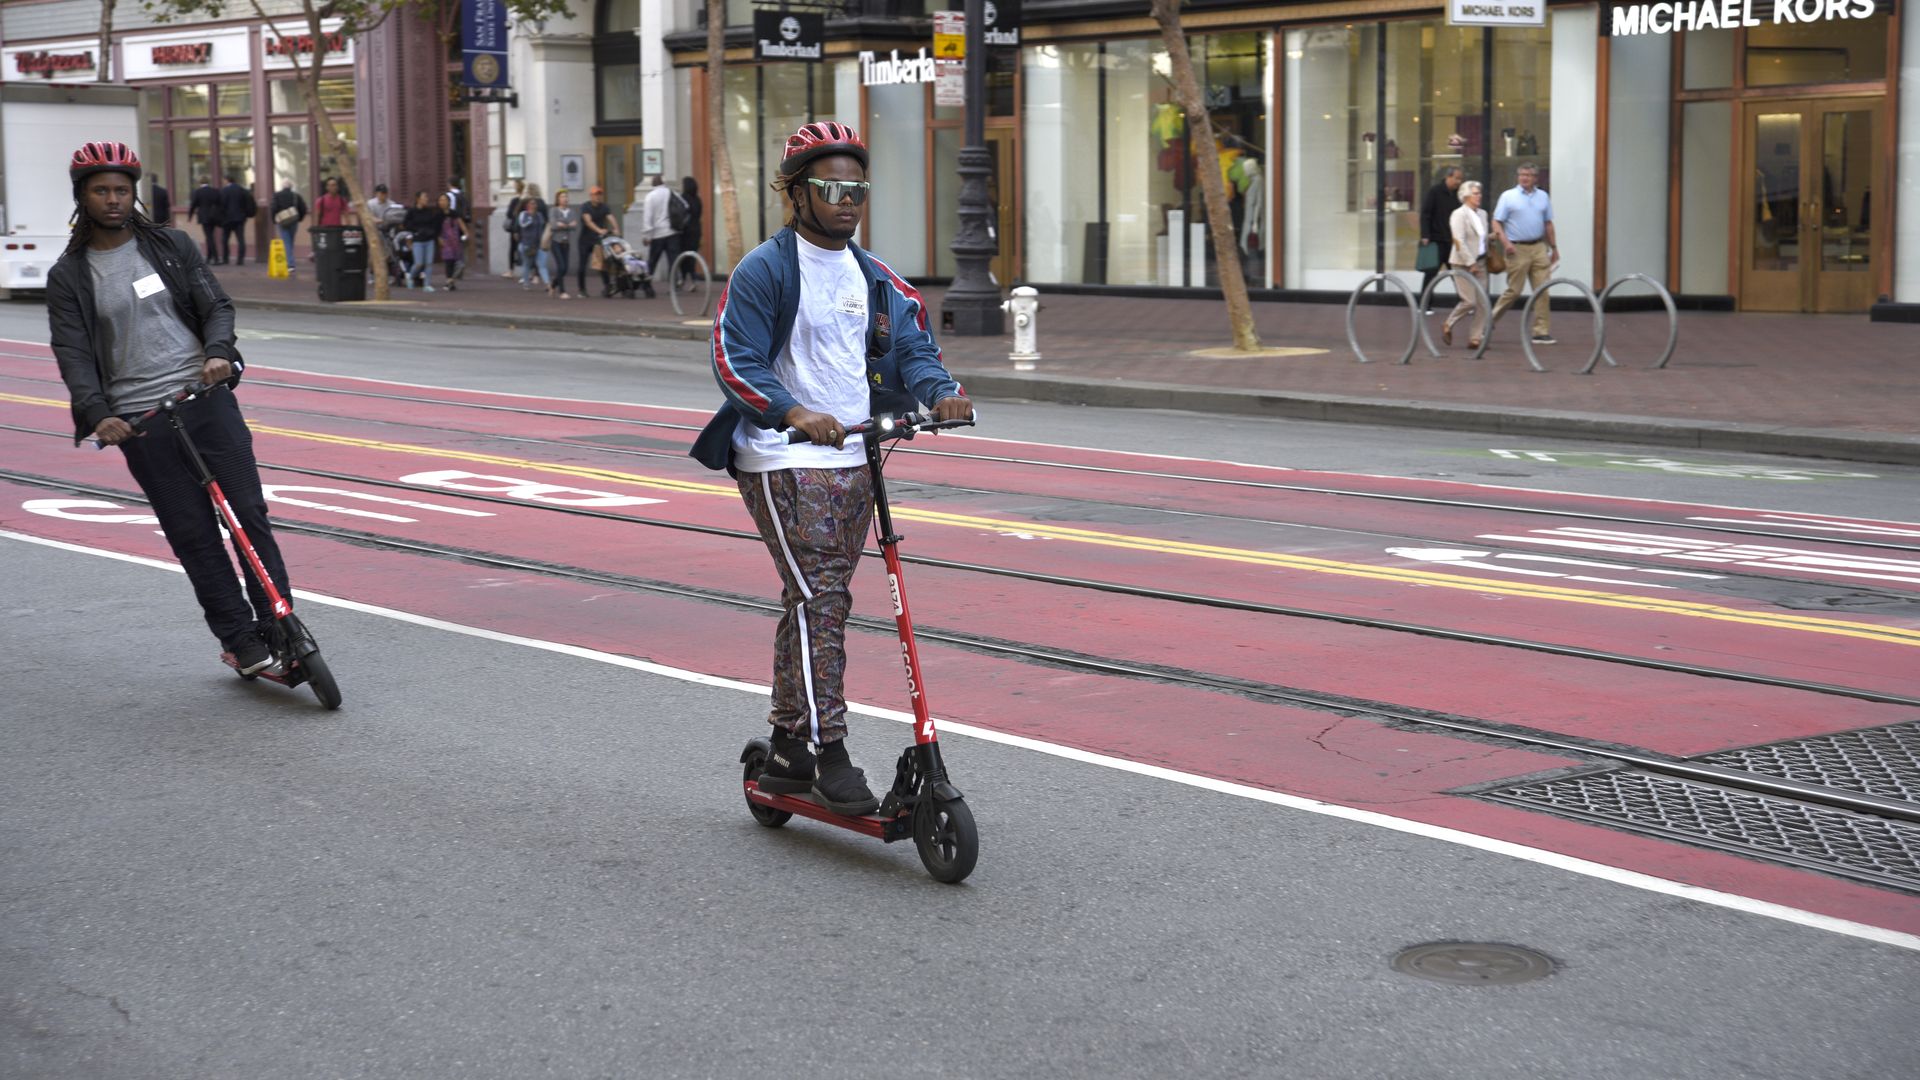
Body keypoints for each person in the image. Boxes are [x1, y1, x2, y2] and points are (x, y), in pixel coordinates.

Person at [688, 122, 973, 815]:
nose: (849, 202)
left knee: (816, 599)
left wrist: (941, 392)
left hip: (855, 455)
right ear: (796, 193)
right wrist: (790, 411)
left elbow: (914, 348)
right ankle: (828, 749)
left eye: (858, 190)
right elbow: (734, 358)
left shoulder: (874, 278)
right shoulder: (765, 270)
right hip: (782, 457)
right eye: (832, 189)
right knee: (822, 597)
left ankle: (789, 746)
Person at [47, 141, 290, 676]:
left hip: (205, 399)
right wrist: (98, 414)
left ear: (134, 193)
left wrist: (219, 352)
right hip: (141, 422)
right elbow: (73, 353)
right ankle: (240, 640)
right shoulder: (69, 275)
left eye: (121, 190)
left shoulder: (171, 246)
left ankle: (281, 627)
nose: (113, 199)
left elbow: (216, 306)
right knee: (193, 534)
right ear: (82, 197)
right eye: (101, 191)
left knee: (248, 515)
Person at [1488, 162, 1559, 346]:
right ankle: (1489, 321)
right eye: (1521, 175)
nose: (1524, 178)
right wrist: (1506, 243)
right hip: (1516, 248)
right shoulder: (1508, 196)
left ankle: (1541, 332)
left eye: (1528, 175)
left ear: (1536, 178)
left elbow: (1548, 223)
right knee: (1514, 291)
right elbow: (1496, 222)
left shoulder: (1543, 196)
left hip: (1538, 247)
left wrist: (1554, 248)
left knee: (1542, 290)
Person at [1442, 180, 1490, 350]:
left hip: (1481, 262)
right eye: (1475, 193)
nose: (1479, 196)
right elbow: (1459, 241)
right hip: (1462, 263)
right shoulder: (1459, 214)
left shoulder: (1483, 214)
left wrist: (1491, 238)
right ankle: (1448, 323)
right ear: (1466, 196)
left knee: (1483, 303)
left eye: (1479, 193)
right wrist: (1470, 262)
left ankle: (1475, 338)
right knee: (1469, 301)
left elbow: (1479, 237)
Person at [1419, 166, 1463, 310]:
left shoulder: (1458, 194)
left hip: (1452, 242)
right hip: (1436, 241)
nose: (1459, 181)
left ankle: (1465, 304)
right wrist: (1425, 235)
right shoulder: (1435, 191)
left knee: (1457, 275)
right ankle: (1424, 305)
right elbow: (1425, 214)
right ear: (1448, 177)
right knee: (1430, 275)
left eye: (1460, 179)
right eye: (1456, 178)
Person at [638, 175, 675, 298]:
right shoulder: (672, 193)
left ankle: (647, 285)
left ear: (653, 183)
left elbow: (647, 218)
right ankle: (673, 286)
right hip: (672, 232)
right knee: (673, 261)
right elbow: (684, 206)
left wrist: (647, 236)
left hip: (657, 234)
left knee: (652, 262)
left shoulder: (650, 196)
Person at [402, 190, 444, 292]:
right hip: (418, 240)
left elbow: (434, 224)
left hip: (429, 240)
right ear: (418, 199)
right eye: (424, 197)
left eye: (426, 197)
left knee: (429, 263)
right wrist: (416, 231)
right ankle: (410, 277)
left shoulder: (429, 211)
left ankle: (427, 284)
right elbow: (406, 224)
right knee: (419, 263)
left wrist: (433, 233)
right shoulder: (411, 211)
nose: (426, 199)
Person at [579, 185, 616, 297]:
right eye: (596, 194)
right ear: (591, 196)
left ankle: (607, 287)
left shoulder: (604, 207)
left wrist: (616, 229)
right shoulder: (585, 207)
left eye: (600, 194)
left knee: (602, 264)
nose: (598, 197)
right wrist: (599, 230)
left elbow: (610, 217)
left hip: (598, 240)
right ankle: (582, 290)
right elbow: (588, 221)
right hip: (585, 240)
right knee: (582, 265)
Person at [546, 188, 579, 299]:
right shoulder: (554, 210)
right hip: (556, 242)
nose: (565, 199)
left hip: (566, 242)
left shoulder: (571, 211)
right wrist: (567, 224)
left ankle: (552, 285)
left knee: (565, 268)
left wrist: (563, 224)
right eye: (562, 197)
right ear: (558, 199)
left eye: (566, 197)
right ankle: (562, 292)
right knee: (561, 266)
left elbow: (575, 226)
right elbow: (554, 225)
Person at [516, 182, 550, 290]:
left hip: (538, 243)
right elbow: (522, 224)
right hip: (528, 243)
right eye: (532, 204)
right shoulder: (524, 214)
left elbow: (544, 224)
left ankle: (547, 284)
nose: (534, 205)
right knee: (527, 264)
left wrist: (545, 238)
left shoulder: (539, 214)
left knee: (541, 264)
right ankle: (527, 282)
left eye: (534, 204)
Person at [270, 180, 308, 274]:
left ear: (282, 186)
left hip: (282, 221)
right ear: (291, 187)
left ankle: (290, 264)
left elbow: (273, 208)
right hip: (294, 221)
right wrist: (300, 218)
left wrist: (274, 219)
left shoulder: (277, 195)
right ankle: (289, 261)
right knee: (290, 241)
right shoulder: (296, 196)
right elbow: (303, 208)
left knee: (286, 242)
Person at [218, 174, 255, 265]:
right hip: (240, 218)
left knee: (225, 239)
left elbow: (221, 205)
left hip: (227, 219)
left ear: (227, 180)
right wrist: (246, 214)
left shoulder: (224, 191)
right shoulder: (242, 190)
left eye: (224, 180)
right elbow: (248, 202)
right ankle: (240, 259)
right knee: (240, 239)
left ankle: (225, 258)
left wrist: (221, 217)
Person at [675, 175, 704, 290]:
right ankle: (692, 280)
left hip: (685, 232)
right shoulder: (698, 200)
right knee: (692, 256)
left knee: (683, 256)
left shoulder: (682, 198)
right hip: (696, 230)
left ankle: (684, 279)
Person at [436, 192, 468, 291]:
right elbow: (436, 229)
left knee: (459, 263)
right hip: (445, 241)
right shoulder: (438, 215)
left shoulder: (454, 213)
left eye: (444, 200)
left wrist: (466, 233)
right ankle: (449, 281)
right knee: (448, 261)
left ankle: (451, 281)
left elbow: (460, 223)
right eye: (441, 200)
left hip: (456, 240)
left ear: (449, 202)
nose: (442, 202)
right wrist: (439, 238)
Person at [189, 176, 222, 261]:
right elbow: (219, 203)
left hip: (204, 216)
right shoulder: (214, 191)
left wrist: (190, 216)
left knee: (209, 236)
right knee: (209, 236)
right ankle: (209, 256)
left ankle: (215, 257)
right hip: (213, 216)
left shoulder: (198, 192)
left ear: (200, 182)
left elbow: (193, 205)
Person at [502, 179, 526, 277]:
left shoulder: (515, 200)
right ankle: (529, 272)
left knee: (513, 249)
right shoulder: (526, 201)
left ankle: (511, 271)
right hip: (525, 228)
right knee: (526, 249)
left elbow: (509, 214)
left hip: (515, 228)